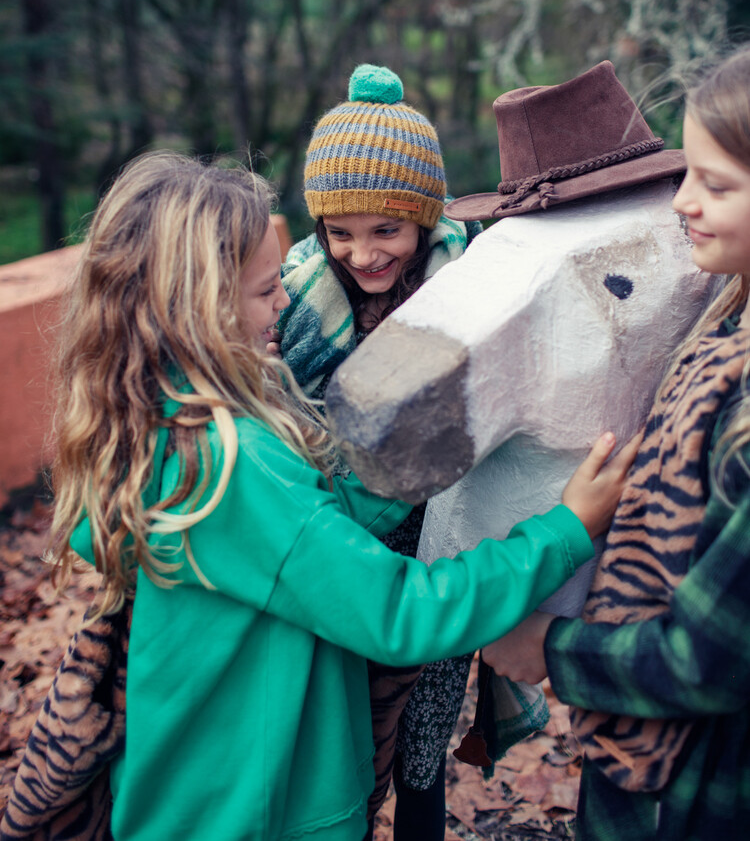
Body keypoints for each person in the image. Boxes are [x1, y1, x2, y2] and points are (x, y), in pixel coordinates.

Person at [38, 149, 634, 841]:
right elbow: (401, 611)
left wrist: (421, 463)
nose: (286, 301)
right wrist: (565, 527)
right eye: (267, 290)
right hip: (265, 812)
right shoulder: (230, 465)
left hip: (186, 791)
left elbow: (305, 527)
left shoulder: (155, 424)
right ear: (198, 304)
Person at [481, 47, 750, 841]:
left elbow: (710, 657)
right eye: (685, 177)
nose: (683, 205)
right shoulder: (721, 318)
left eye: (717, 184)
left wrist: (549, 649)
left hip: (700, 790)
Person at [276, 62, 486, 838]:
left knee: (423, 743)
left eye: (387, 230)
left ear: (425, 219)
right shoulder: (296, 302)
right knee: (346, 738)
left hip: (436, 544)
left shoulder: (466, 295)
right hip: (338, 552)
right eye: (342, 232)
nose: (362, 254)